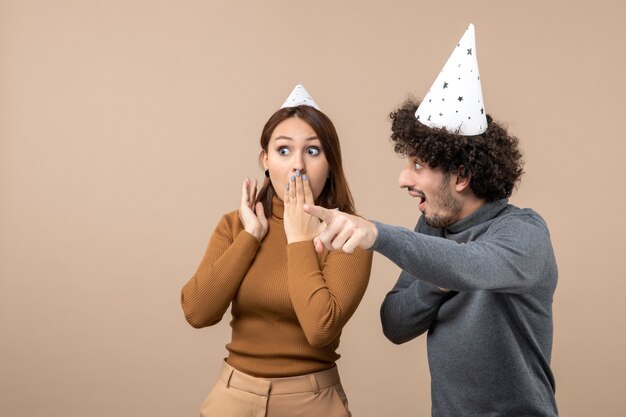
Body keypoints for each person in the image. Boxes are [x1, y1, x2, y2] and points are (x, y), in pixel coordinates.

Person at [305, 25, 559, 416]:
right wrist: (436, 282)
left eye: (418, 165)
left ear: (461, 176)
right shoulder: (433, 228)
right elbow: (395, 323)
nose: (403, 179)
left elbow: (475, 265)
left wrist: (377, 233)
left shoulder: (524, 232)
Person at [181, 84, 372, 417]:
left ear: (330, 163)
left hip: (311, 402)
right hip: (233, 398)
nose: (297, 165)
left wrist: (299, 240)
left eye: (312, 151)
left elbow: (320, 328)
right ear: (266, 160)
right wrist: (250, 237)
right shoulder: (236, 225)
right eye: (284, 151)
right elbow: (198, 312)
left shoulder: (349, 232)